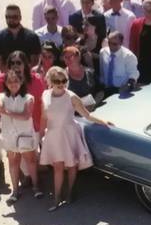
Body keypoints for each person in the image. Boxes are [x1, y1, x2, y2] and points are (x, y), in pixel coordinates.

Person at [39, 66, 112, 210]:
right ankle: (57, 198)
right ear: (50, 81)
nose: (61, 83)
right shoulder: (45, 95)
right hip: (53, 134)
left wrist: (103, 122)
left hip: (69, 133)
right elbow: (43, 116)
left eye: (64, 80)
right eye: (56, 80)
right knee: (58, 167)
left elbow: (87, 115)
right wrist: (41, 135)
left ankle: (70, 192)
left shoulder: (72, 96)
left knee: (72, 165)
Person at [0, 71, 41, 204]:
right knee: (13, 163)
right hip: (9, 134)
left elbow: (26, 116)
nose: (13, 84)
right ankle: (15, 190)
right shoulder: (1, 96)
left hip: (25, 134)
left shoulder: (29, 97)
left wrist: (6, 112)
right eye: (10, 82)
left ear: (21, 82)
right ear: (5, 83)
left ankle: (36, 187)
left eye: (16, 81)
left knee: (31, 161)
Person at [0, 5, 41, 70]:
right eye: (8, 17)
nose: (11, 19)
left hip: (27, 75)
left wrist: (24, 74)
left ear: (20, 17)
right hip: (7, 75)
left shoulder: (32, 37)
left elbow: (35, 61)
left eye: (14, 17)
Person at [98, 31, 139, 98]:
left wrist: (128, 86)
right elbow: (102, 72)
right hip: (105, 90)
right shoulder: (103, 52)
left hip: (120, 91)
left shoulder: (129, 56)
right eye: (109, 43)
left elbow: (133, 75)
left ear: (121, 43)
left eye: (114, 44)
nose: (110, 46)